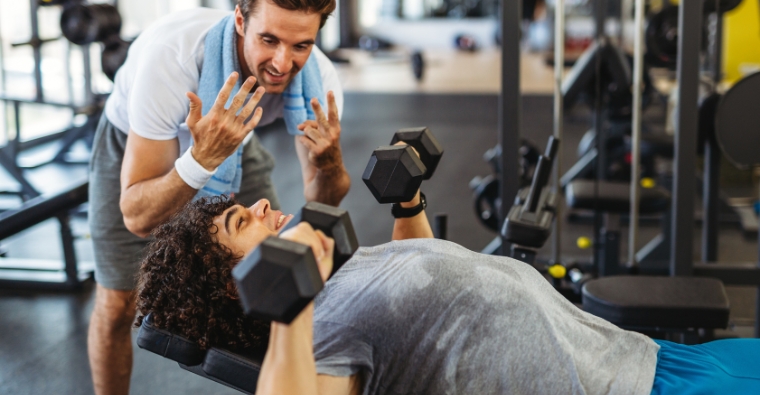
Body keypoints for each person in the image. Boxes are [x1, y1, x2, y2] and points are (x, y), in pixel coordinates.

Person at [136, 186, 760, 395]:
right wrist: (288, 306)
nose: (262, 203)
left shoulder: (341, 273)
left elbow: (429, 268)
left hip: (644, 358)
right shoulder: (313, 333)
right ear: (233, 283)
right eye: (241, 222)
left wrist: (408, 204)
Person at [87, 0, 350, 394]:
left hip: (232, 139)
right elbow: (138, 217)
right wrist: (202, 157)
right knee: (119, 302)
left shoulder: (320, 78)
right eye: (269, 40)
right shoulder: (172, 62)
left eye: (300, 45)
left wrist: (331, 163)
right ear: (241, 22)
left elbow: (322, 204)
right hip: (139, 145)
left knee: (282, 271)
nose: (283, 63)